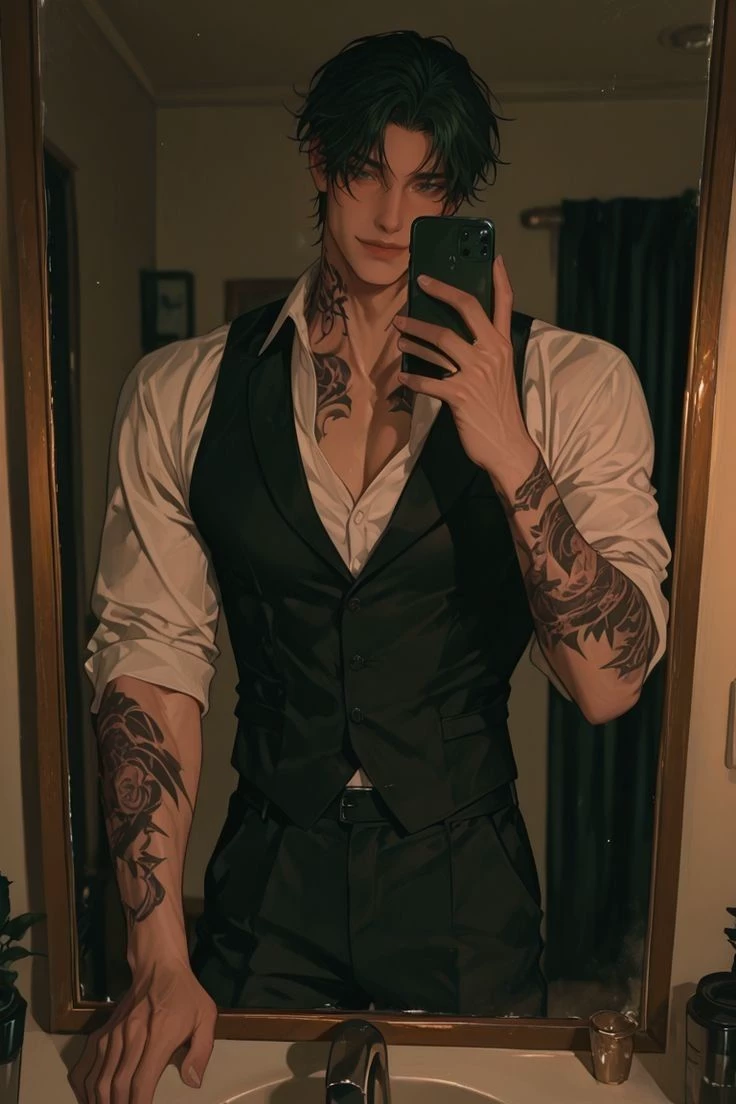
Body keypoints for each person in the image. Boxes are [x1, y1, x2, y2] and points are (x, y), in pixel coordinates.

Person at [70, 30, 670, 1104]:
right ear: (318, 162)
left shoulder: (577, 384)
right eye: (366, 173)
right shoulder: (182, 392)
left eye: (427, 185)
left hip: (465, 889)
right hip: (265, 883)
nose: (394, 217)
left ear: (461, 195)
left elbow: (608, 683)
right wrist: (156, 950)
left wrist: (508, 444)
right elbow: (151, 668)